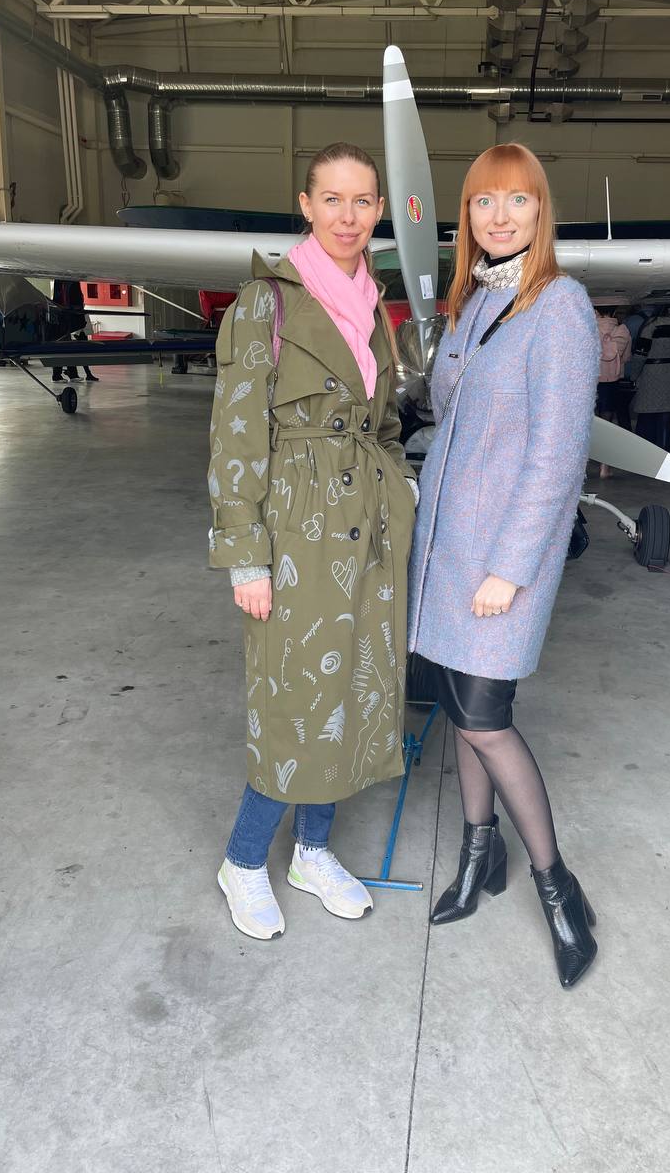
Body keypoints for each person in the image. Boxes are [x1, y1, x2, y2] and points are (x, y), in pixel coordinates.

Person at [207, 142, 418, 940]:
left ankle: (313, 851)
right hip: (297, 532)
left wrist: (401, 486)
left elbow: (384, 422)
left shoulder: (373, 301)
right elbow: (234, 438)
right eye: (333, 199)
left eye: (363, 201)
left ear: (379, 210)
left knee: (351, 693)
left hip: (367, 529)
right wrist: (246, 555)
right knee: (294, 699)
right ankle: (243, 860)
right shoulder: (266, 303)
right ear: (305, 204)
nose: (348, 217)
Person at [407, 143, 601, 989]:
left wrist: (510, 569)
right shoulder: (476, 303)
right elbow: (449, 419)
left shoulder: (560, 306)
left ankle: (558, 887)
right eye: (484, 201)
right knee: (460, 709)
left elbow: (556, 457)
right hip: (446, 552)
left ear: (541, 211)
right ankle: (480, 856)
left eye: (517, 200)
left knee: (487, 719)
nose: (499, 216)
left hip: (498, 563)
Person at [629, 307, 670, 449]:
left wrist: (634, 375)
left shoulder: (652, 324)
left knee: (646, 416)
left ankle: (646, 452)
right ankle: (664, 450)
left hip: (651, 373)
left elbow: (640, 354)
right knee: (666, 417)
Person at [594, 309, 631, 477]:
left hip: (590, 381)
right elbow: (626, 357)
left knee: (586, 425)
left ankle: (581, 463)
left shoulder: (588, 327)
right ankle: (604, 467)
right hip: (610, 382)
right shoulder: (622, 330)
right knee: (607, 425)